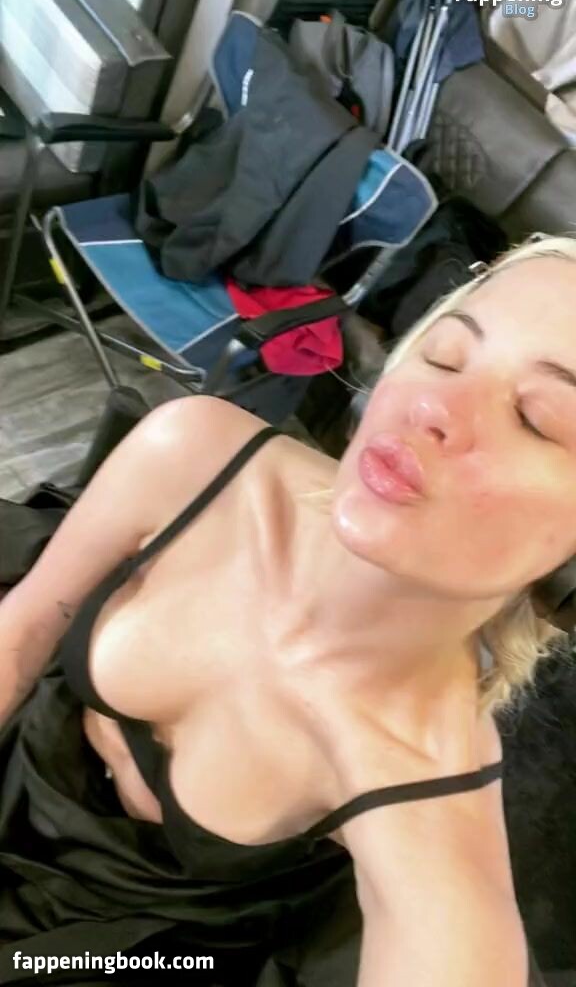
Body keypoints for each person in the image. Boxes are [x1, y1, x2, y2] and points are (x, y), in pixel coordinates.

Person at [2, 234, 572, 987]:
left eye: (538, 418)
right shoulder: (198, 454)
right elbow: (23, 629)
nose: (433, 405)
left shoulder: (424, 785)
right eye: (443, 356)